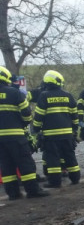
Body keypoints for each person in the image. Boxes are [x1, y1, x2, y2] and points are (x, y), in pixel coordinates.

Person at [0, 66, 49, 200]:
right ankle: (32, 191)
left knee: (6, 165)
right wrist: (24, 124)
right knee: (25, 163)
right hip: (15, 135)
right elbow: (27, 114)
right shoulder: (14, 93)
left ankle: (13, 194)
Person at [32, 70, 81, 188]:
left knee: (52, 158)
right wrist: (74, 129)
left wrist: (36, 129)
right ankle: (75, 178)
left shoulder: (44, 96)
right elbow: (75, 115)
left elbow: (39, 116)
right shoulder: (68, 95)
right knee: (70, 155)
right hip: (67, 134)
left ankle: (55, 182)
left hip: (51, 135)